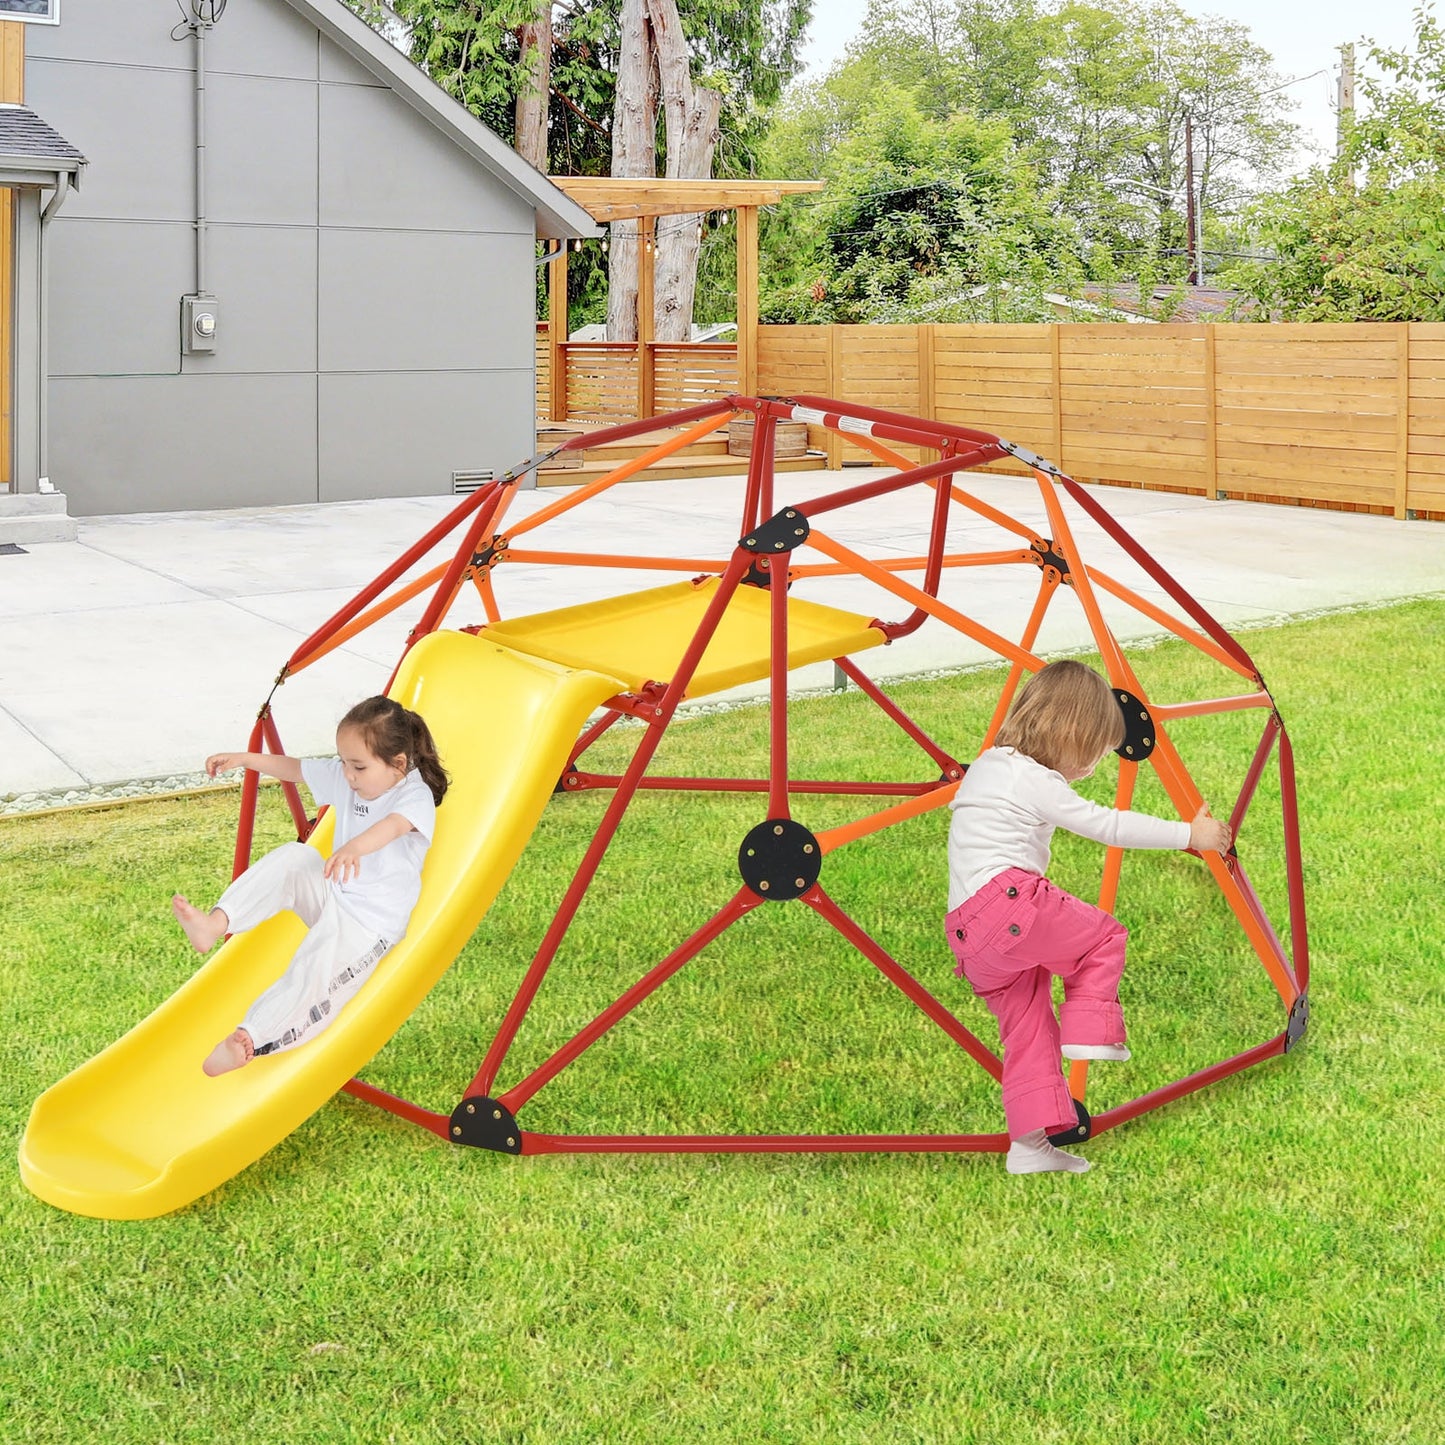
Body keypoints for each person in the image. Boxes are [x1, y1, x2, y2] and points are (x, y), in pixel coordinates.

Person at [945, 660, 1231, 1175]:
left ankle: (1029, 1146)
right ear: (1069, 730)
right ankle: (1090, 1033)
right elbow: (1107, 826)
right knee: (1103, 938)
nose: (1097, 764)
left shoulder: (989, 764)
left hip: (968, 937)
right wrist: (1191, 835)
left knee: (1028, 1033)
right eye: (1095, 749)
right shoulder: (1033, 778)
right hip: (1007, 903)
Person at [172, 696, 449, 1077]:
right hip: (333, 893)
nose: (348, 776)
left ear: (398, 764)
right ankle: (215, 924)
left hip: (368, 925)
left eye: (358, 766)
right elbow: (296, 768)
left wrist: (355, 847)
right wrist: (244, 758)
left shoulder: (413, 794)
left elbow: (393, 826)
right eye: (344, 763)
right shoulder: (354, 777)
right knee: (294, 858)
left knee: (315, 966)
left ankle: (251, 1038)